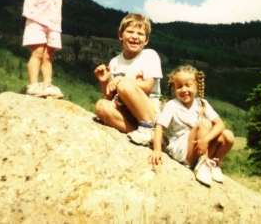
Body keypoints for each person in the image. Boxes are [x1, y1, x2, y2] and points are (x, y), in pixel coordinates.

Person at [149, 65, 234, 186]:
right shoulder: (172, 105)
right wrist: (157, 150)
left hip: (201, 144)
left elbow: (220, 124)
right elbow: (159, 128)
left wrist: (206, 139)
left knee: (228, 135)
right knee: (205, 123)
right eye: (179, 86)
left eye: (188, 85)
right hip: (183, 149)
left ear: (197, 87)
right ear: (174, 88)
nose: (184, 90)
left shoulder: (202, 103)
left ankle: (213, 163)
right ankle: (202, 164)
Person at [8, 0, 73, 98]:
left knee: (48, 55)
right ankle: (33, 85)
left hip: (53, 23)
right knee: (37, 52)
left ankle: (47, 85)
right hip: (36, 20)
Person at [94, 13, 163, 146]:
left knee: (124, 85)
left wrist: (121, 80)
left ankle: (148, 127)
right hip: (126, 111)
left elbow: (148, 85)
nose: (135, 36)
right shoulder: (115, 62)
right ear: (120, 35)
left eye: (140, 34)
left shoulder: (150, 55)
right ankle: (147, 137)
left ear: (146, 40)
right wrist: (104, 82)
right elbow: (110, 97)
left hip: (149, 110)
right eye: (130, 32)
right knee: (101, 106)